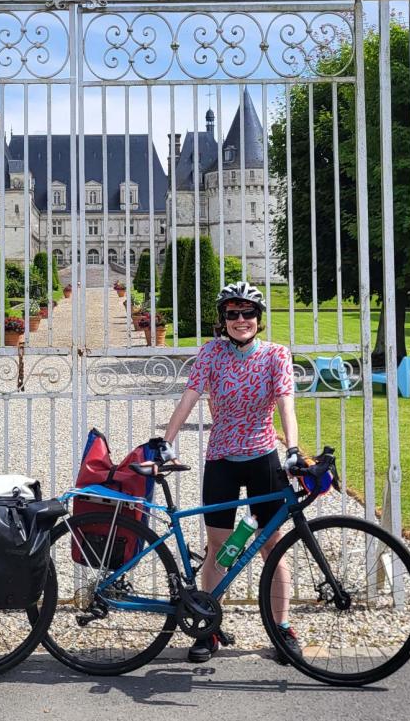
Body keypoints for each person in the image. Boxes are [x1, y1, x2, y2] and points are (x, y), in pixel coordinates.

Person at [158, 281, 303, 664]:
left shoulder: (276, 355)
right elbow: (189, 397)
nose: (241, 320)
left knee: (273, 545)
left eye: (248, 313)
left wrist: (292, 449)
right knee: (219, 548)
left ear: (259, 318)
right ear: (223, 321)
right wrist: (167, 441)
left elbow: (286, 402)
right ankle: (209, 626)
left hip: (263, 458)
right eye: (232, 314)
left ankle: (281, 627)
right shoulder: (211, 354)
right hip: (221, 459)